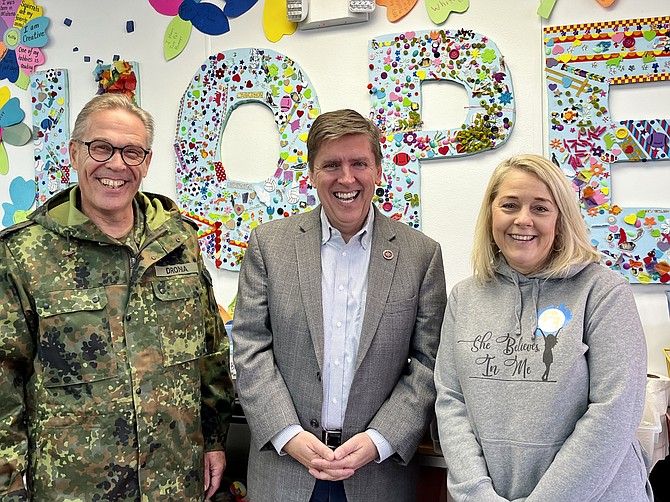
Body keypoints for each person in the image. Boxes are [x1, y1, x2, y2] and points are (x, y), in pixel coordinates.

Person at [0, 93, 234, 501]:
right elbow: (5, 381)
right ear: (74, 153)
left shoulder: (178, 240)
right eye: (101, 147)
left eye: (131, 152)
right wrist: (8, 487)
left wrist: (214, 439)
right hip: (73, 488)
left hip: (174, 481)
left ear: (145, 162)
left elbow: (211, 351)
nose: (116, 165)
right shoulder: (23, 254)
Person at [232, 108, 447, 501]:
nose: (346, 178)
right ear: (311, 173)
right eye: (331, 164)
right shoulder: (269, 245)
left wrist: (382, 438)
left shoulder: (421, 256)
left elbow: (429, 363)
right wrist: (287, 433)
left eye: (359, 163)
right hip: (286, 468)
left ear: (379, 171)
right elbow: (249, 346)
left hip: (376, 474)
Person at [434, 154, 652, 501]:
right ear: (491, 213)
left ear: (560, 218)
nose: (523, 220)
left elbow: (615, 412)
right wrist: (476, 493)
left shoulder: (604, 292)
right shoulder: (465, 297)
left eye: (540, 208)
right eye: (509, 205)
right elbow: (451, 401)